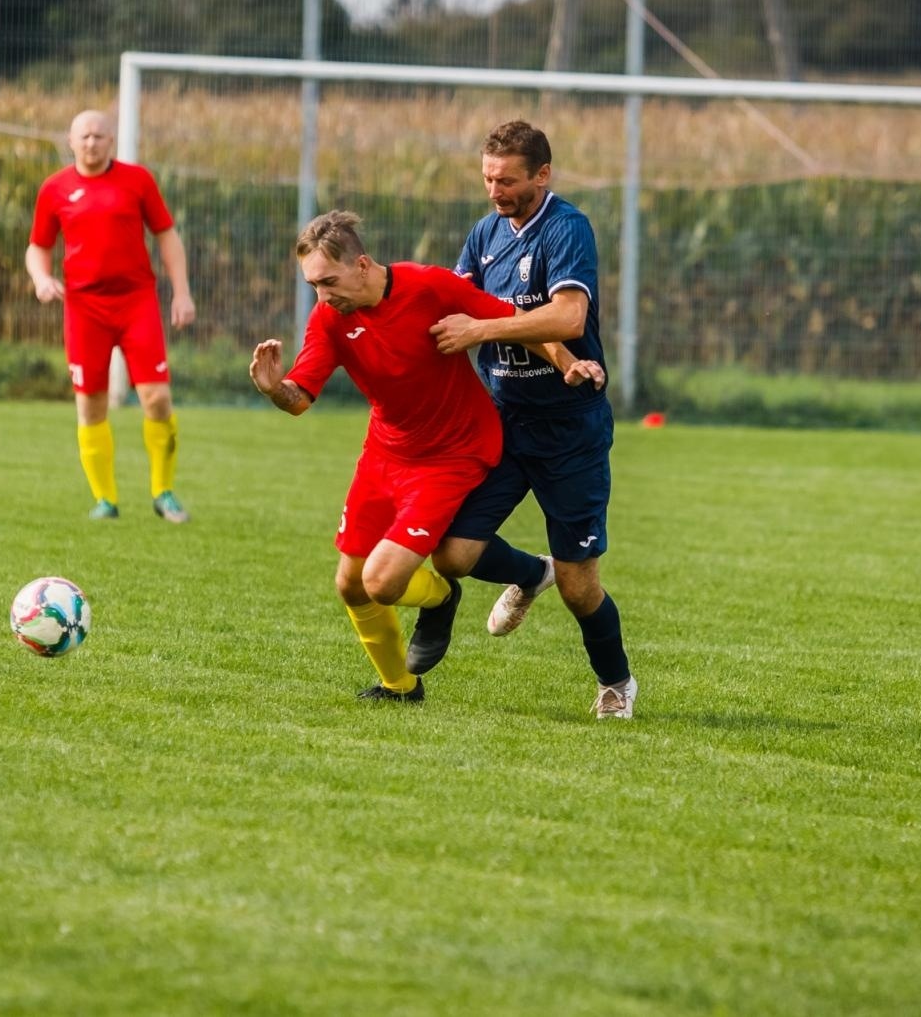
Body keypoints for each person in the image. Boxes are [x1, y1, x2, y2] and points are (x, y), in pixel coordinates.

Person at [250, 210, 597, 703]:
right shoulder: (330, 318)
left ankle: (442, 597)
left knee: (381, 582)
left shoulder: (430, 287)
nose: (322, 296)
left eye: (328, 282)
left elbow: (515, 323)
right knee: (350, 584)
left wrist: (567, 361)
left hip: (454, 452)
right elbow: (300, 398)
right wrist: (274, 390)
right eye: (313, 286)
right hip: (386, 452)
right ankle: (401, 686)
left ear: (362, 265)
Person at [424, 120, 639, 720]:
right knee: (452, 553)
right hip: (502, 421)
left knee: (580, 586)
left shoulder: (566, 228)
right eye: (488, 178)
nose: (495, 191)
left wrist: (485, 330)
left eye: (508, 180)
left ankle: (616, 683)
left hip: (570, 430)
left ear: (542, 175)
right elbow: (455, 302)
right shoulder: (485, 233)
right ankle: (529, 573)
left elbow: (568, 317)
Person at [25, 108, 196, 524]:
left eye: (99, 136)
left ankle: (164, 493)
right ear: (71, 141)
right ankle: (105, 500)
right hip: (84, 309)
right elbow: (38, 246)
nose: (91, 143)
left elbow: (167, 236)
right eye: (84, 136)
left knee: (157, 398)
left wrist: (182, 293)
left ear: (111, 141)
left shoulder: (138, 181)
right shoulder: (54, 189)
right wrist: (41, 278)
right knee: (90, 405)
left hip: (137, 302)